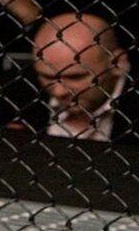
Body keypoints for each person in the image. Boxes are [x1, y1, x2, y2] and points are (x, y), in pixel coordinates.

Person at [24, 13, 136, 143]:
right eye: (47, 77)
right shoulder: (17, 94)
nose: (58, 92)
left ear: (117, 63)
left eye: (75, 77)